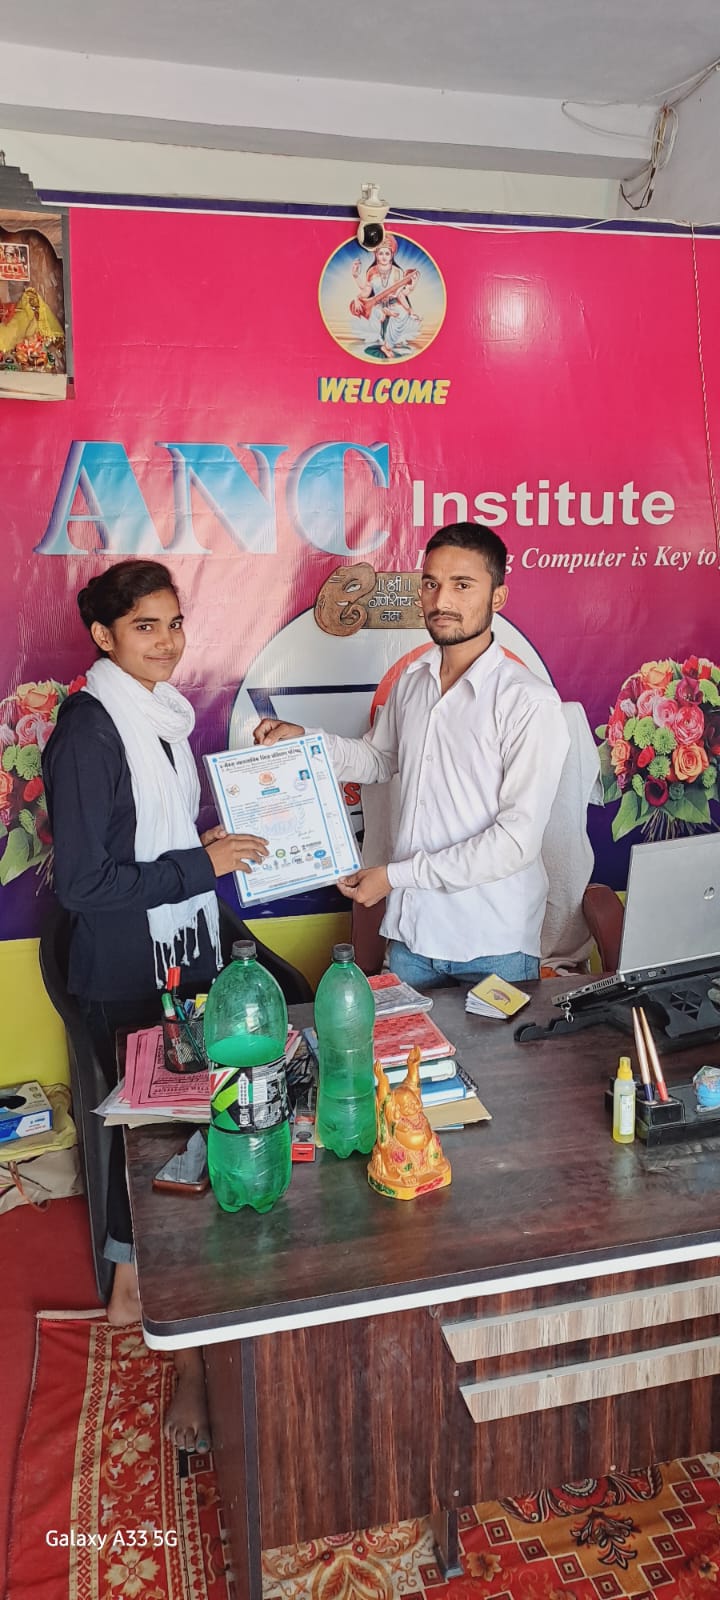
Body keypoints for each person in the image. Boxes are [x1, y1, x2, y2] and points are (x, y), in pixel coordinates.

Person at [42, 558, 268, 1450]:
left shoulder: (162, 716)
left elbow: (148, 841)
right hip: (126, 971)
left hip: (179, 956)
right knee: (162, 1151)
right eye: (145, 626)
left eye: (174, 623)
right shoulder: (90, 733)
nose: (167, 642)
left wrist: (200, 857)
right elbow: (86, 884)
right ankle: (173, 1332)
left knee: (184, 1139)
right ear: (103, 636)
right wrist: (197, 866)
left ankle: (141, 1279)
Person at [254, 522, 570, 987]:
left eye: (463, 585)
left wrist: (395, 877)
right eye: (431, 584)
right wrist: (305, 742)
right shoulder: (412, 680)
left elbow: (515, 843)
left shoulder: (528, 701)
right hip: (412, 937)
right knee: (406, 1040)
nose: (442, 601)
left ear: (498, 597)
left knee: (498, 1044)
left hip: (492, 942)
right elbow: (378, 760)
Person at [350, 235, 421, 359]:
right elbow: (366, 291)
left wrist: (410, 310)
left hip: (393, 303)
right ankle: (386, 338)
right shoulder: (371, 271)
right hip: (377, 305)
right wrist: (356, 284)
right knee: (376, 313)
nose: (384, 256)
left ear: (392, 255)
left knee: (402, 314)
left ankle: (388, 345)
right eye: (381, 253)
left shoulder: (397, 272)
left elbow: (400, 294)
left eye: (387, 253)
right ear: (376, 255)